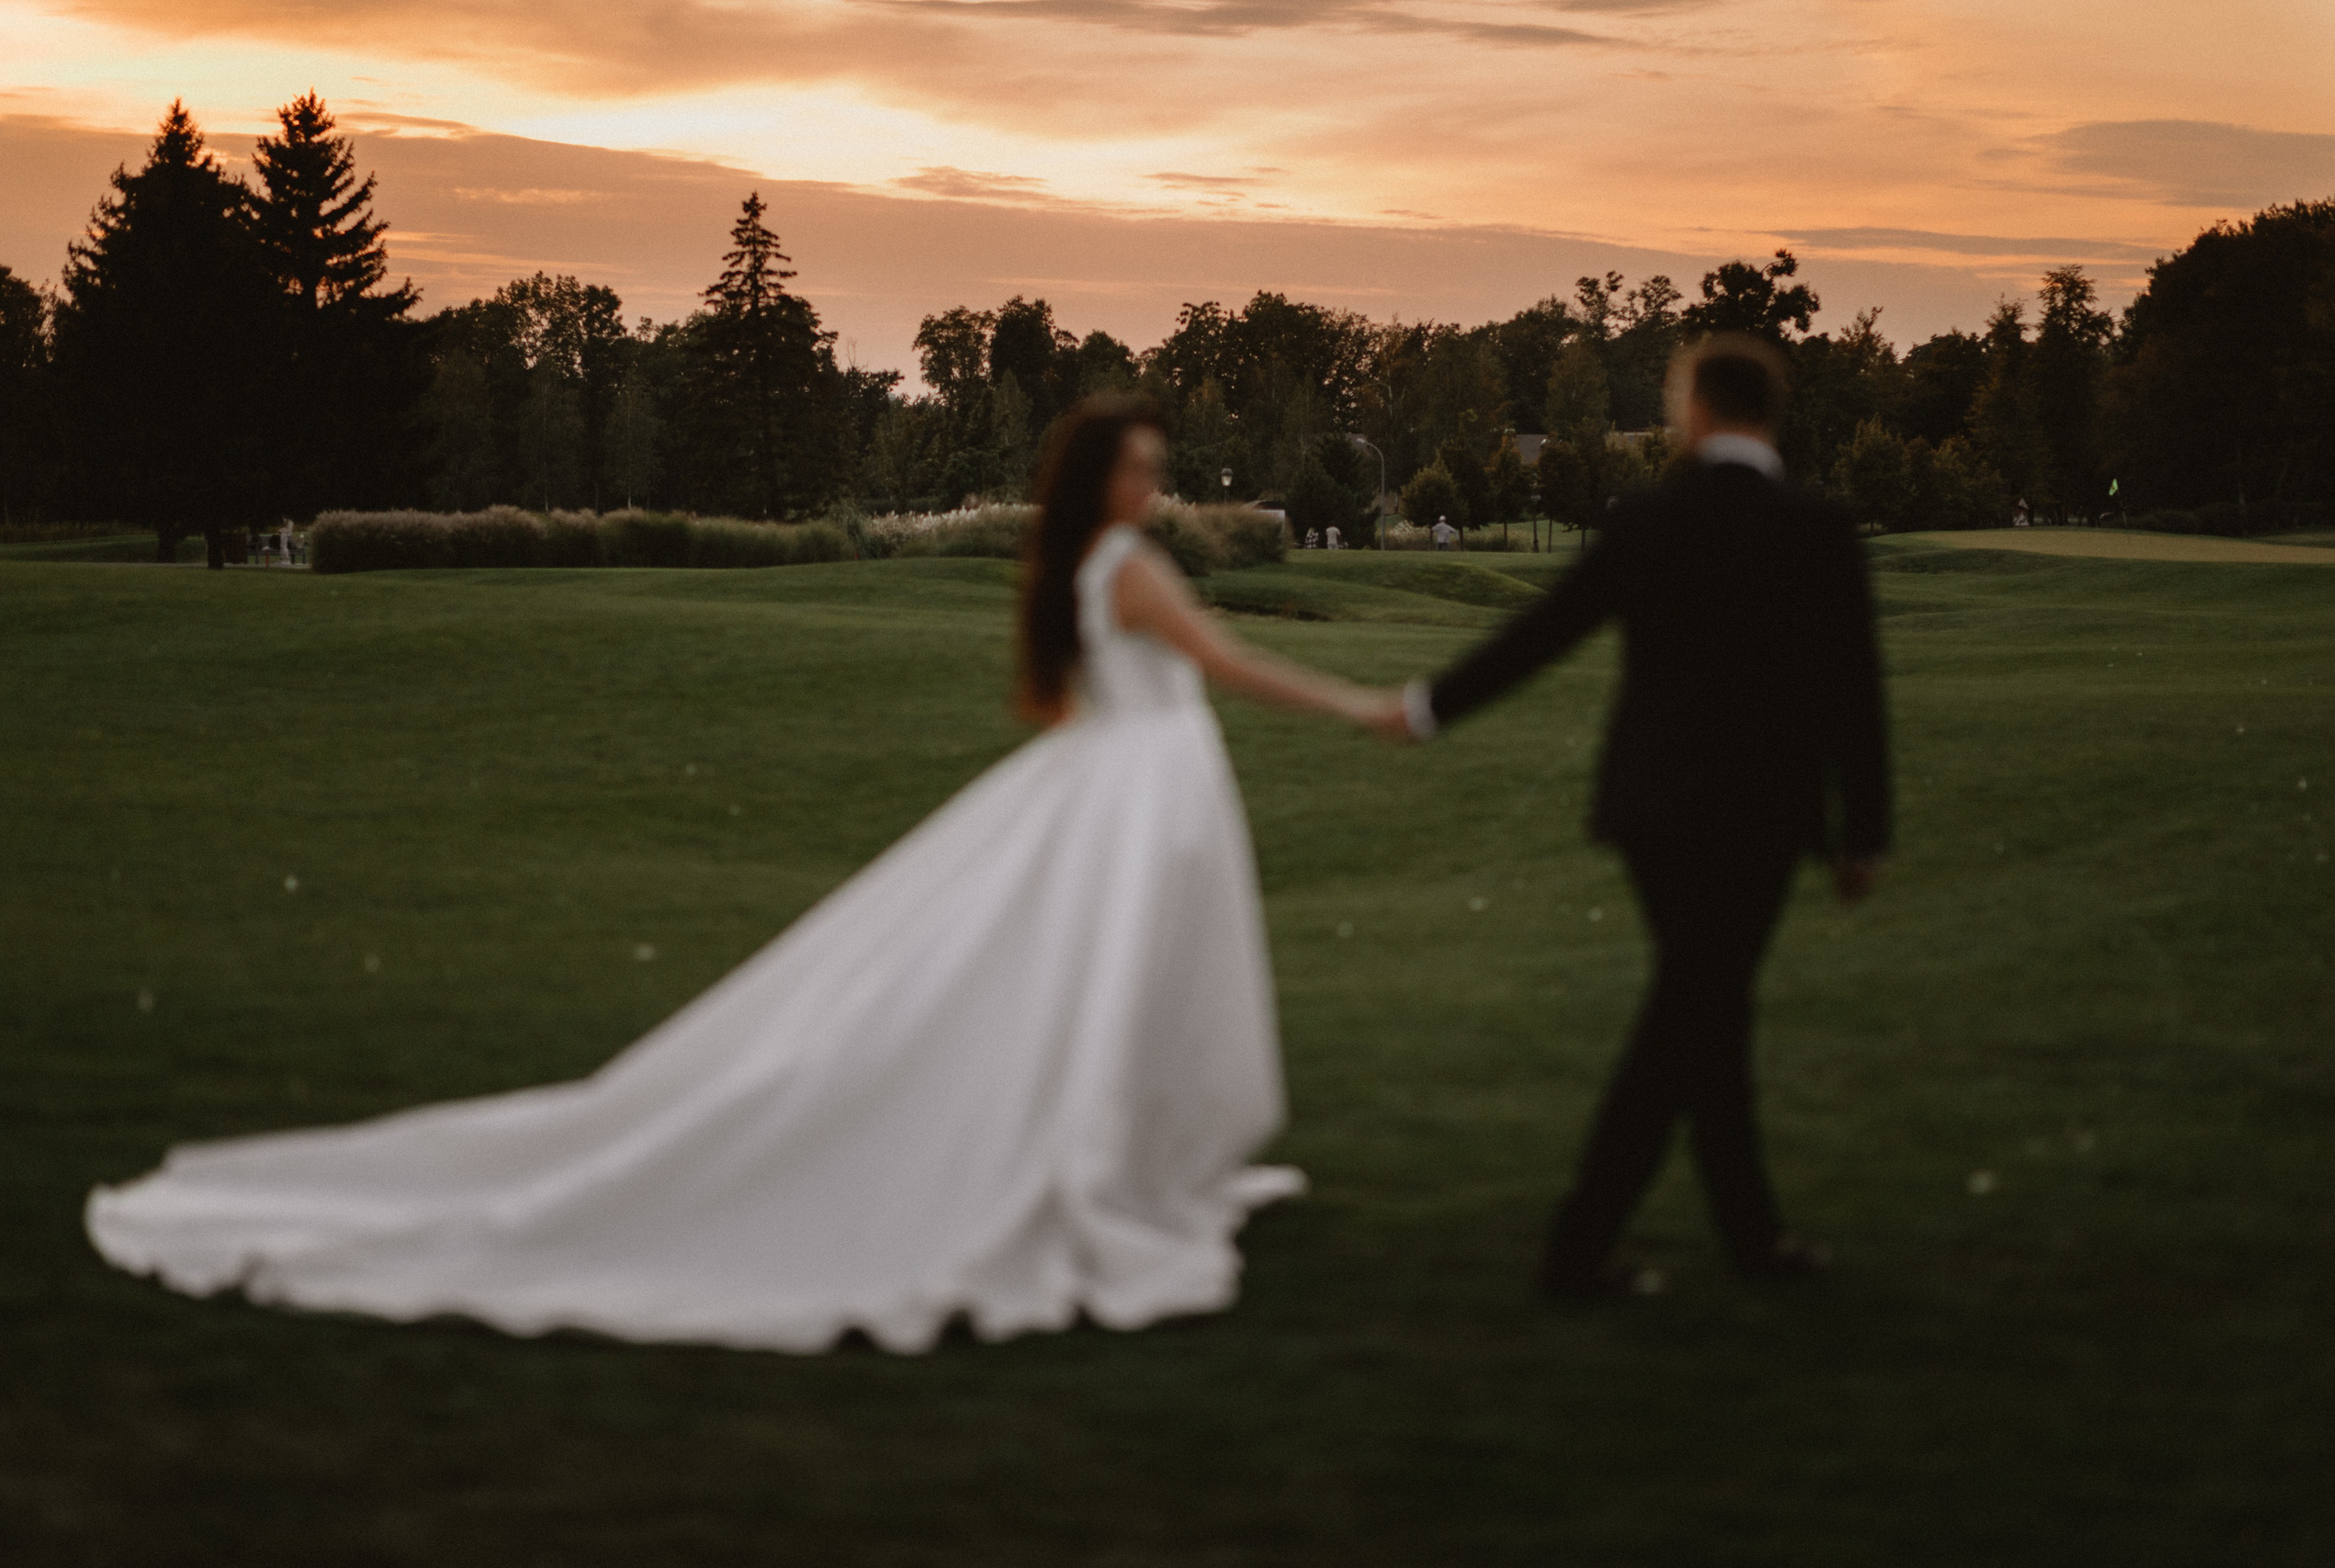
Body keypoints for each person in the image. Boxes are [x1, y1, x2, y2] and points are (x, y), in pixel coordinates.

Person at [87, 395, 1393, 1353]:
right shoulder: (1138, 569)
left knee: (1082, 974)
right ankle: (1102, 1160)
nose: (1153, 486)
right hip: (1141, 793)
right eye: (1141, 468)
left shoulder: (1075, 566)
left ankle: (1126, 1149)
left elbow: (1076, 702)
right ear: (1104, 478)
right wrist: (1363, 711)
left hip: (1116, 781)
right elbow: (1227, 667)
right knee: (1096, 974)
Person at [1372, 335, 1891, 1301]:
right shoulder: (1817, 526)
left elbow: (1545, 632)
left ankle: (1750, 1243)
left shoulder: (1648, 517)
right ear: (1767, 414)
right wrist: (1863, 832)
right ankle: (1580, 1254)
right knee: (1691, 1018)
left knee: (1705, 1015)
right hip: (1763, 818)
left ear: (1695, 409)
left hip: (1652, 813)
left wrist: (1429, 707)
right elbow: (1852, 694)